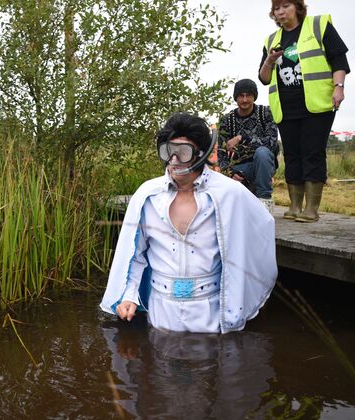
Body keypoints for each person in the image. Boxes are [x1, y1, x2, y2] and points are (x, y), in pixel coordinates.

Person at [100, 113, 277, 334]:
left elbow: (263, 228)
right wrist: (129, 295)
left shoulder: (229, 194)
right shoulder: (148, 195)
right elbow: (135, 254)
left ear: (200, 155)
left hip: (211, 313)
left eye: (183, 153)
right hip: (161, 311)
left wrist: (245, 292)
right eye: (168, 151)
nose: (174, 160)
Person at [258, 0, 350, 222]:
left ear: (297, 7)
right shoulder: (271, 40)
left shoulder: (318, 25)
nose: (280, 12)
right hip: (286, 106)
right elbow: (263, 78)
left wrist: (339, 87)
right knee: (292, 154)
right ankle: (295, 206)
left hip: (317, 104)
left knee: (312, 152)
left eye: (285, 6)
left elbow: (338, 58)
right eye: (276, 9)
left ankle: (312, 209)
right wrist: (270, 60)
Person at [217, 79, 279, 214]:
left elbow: (272, 142)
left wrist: (242, 138)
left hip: (265, 163)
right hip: (241, 168)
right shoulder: (227, 120)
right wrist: (229, 172)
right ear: (236, 98)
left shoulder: (265, 113)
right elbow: (221, 153)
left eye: (248, 95)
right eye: (241, 96)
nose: (245, 100)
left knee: (262, 152)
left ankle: (265, 200)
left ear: (254, 96)